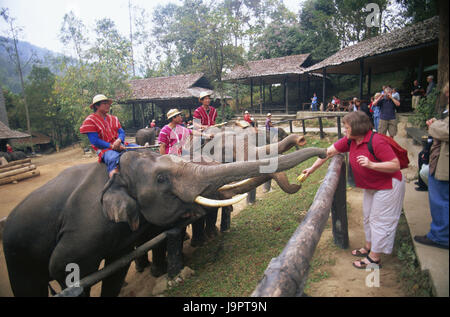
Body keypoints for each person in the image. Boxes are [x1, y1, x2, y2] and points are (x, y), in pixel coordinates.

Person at [302, 111, 405, 269]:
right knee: (368, 217)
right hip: (372, 185)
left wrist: (372, 165)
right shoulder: (350, 141)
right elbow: (327, 153)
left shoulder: (376, 141)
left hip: (389, 185)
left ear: (357, 128)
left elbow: (395, 165)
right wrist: (311, 169)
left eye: (347, 127)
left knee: (380, 220)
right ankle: (369, 247)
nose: (344, 130)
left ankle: (374, 258)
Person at [414, 82, 449, 249]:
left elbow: (446, 131)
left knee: (440, 200)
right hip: (440, 159)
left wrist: (434, 125)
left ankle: (440, 236)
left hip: (445, 164)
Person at [80, 94, 138, 178]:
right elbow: (95, 141)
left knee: (139, 148)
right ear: (97, 105)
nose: (108, 105)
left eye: (108, 103)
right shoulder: (90, 120)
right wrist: (111, 146)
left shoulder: (114, 118)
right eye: (104, 103)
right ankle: (115, 184)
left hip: (120, 144)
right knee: (113, 158)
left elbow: (121, 132)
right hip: (104, 149)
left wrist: (119, 140)